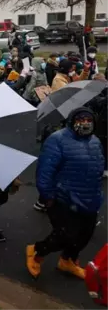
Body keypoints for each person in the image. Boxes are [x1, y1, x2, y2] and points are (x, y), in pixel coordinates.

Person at [26, 108, 104, 280]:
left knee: (84, 236)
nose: (85, 123)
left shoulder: (95, 141)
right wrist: (48, 197)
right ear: (72, 121)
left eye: (88, 120)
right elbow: (45, 172)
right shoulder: (57, 140)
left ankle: (67, 261)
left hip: (90, 199)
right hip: (64, 199)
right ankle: (37, 252)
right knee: (64, 235)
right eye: (81, 119)